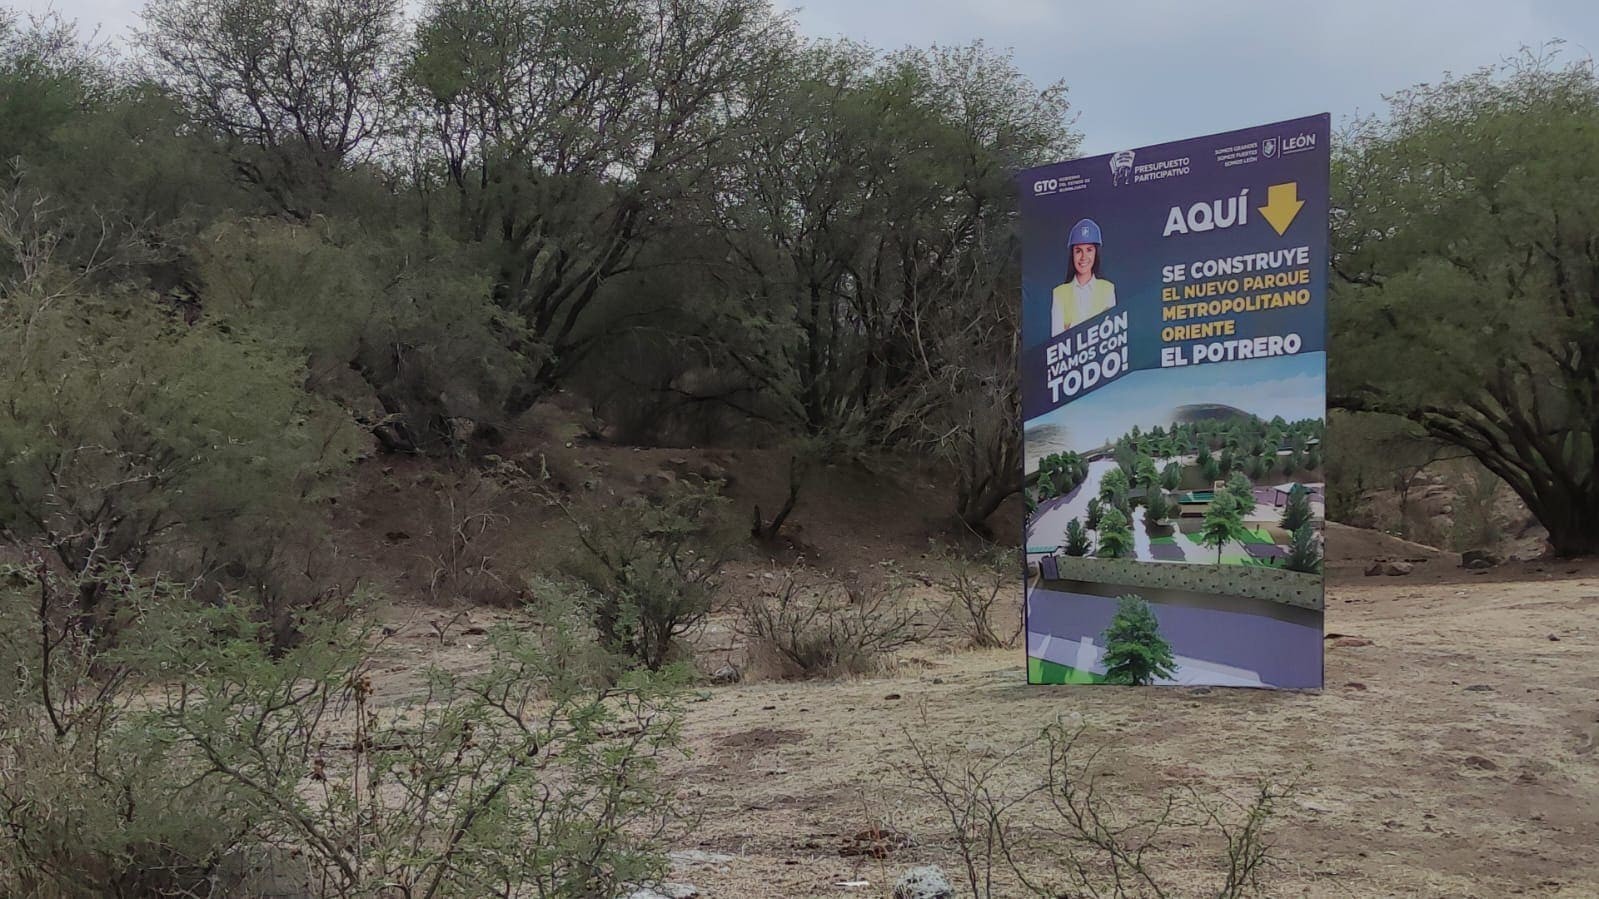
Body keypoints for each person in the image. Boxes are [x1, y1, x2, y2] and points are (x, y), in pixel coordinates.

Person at [1051, 218, 1116, 337]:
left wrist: (1070, 328)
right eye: (1078, 251)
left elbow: (1110, 336)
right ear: (1072, 254)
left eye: (1089, 250)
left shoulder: (1108, 289)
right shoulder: (1059, 293)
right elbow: (1056, 342)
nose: (1084, 257)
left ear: (1096, 253)